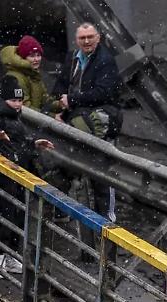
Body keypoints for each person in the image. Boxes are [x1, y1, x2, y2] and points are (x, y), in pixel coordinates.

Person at [0, 75, 54, 275]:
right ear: (4, 100)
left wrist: (33, 144)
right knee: (3, 213)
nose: (18, 105)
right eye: (14, 101)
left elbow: (17, 141)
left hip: (14, 172)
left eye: (20, 101)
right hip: (1, 173)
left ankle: (8, 255)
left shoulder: (11, 115)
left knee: (16, 214)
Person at [51, 22, 123, 221]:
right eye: (82, 38)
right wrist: (60, 105)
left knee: (101, 172)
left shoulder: (105, 60)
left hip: (99, 123)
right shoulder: (72, 58)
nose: (87, 41)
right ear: (76, 40)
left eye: (90, 37)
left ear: (98, 38)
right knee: (67, 163)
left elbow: (104, 93)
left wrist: (72, 100)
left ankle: (107, 218)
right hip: (77, 120)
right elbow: (60, 86)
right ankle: (65, 210)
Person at [0, 35, 59, 113]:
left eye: (38, 55)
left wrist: (60, 105)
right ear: (23, 58)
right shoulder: (15, 78)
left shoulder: (33, 74)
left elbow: (44, 100)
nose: (36, 59)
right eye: (32, 56)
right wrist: (52, 117)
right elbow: (24, 109)